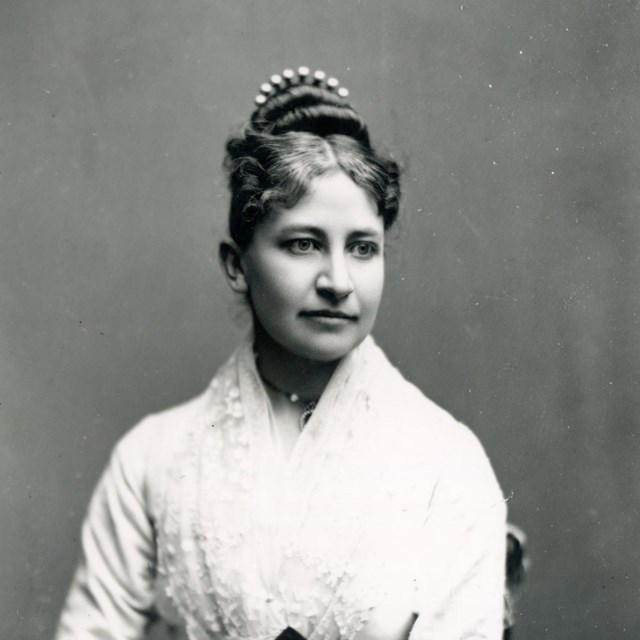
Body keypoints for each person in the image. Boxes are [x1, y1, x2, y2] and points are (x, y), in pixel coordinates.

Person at [55, 67, 507, 640]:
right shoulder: (151, 460)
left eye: (363, 248)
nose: (339, 281)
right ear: (236, 264)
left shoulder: (447, 462)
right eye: (303, 244)